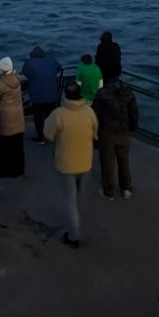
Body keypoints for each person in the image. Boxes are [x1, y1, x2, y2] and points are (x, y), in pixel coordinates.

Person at [44, 81, 98, 248]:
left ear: (65, 95)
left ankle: (73, 236)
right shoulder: (89, 111)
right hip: (85, 160)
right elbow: (96, 132)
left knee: (69, 198)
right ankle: (76, 213)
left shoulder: (59, 114)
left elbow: (48, 134)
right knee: (78, 191)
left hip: (66, 163)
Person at [92, 65, 138, 199]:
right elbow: (134, 112)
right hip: (123, 131)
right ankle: (126, 188)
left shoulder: (101, 93)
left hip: (106, 132)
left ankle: (109, 191)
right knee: (124, 160)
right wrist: (132, 127)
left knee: (107, 162)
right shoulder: (128, 92)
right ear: (119, 75)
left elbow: (94, 114)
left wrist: (95, 132)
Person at [0, 56, 25, 177]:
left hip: (7, 119)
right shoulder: (17, 78)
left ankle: (7, 171)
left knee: (6, 146)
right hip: (18, 116)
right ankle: (19, 169)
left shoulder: (2, 84)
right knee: (18, 145)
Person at [21, 46, 62, 144]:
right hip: (52, 94)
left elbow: (24, 73)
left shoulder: (30, 62)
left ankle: (41, 138)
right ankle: (52, 135)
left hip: (37, 96)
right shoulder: (51, 60)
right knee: (51, 115)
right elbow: (59, 68)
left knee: (38, 117)